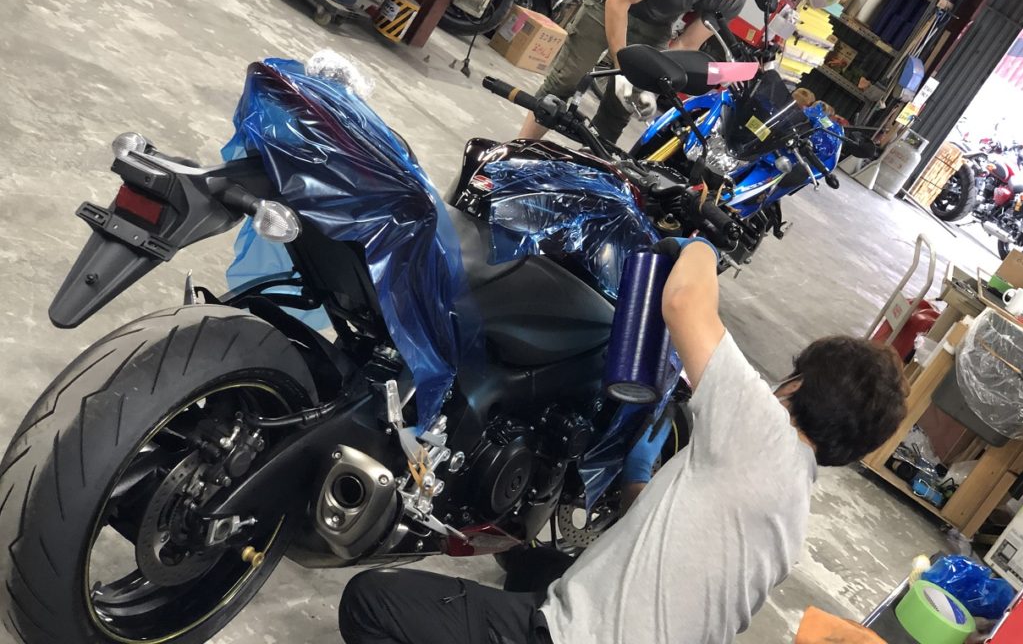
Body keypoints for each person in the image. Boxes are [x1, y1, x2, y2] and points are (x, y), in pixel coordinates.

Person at [338, 238, 908, 644]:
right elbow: (671, 556)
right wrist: (640, 474)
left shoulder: (762, 429)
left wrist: (703, 244)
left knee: (368, 601)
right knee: (535, 566)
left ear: (795, 386)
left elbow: (685, 302)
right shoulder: (788, 515)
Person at [517, 0, 771, 145]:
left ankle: (584, 175)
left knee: (622, 108)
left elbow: (687, 43)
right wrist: (623, 68)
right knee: (567, 78)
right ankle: (516, 152)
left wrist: (656, 83)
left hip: (658, 21)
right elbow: (619, 1)